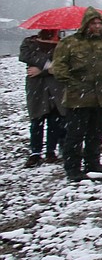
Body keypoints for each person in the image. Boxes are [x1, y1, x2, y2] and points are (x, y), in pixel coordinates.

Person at [53, 7, 102, 182]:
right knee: (75, 134)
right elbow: (59, 67)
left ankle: (93, 163)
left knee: (96, 133)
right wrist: (73, 83)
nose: (97, 26)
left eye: (99, 23)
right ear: (86, 25)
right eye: (93, 23)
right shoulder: (69, 43)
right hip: (78, 97)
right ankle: (73, 168)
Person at [19, 29, 67, 167]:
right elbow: (26, 56)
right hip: (37, 88)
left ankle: (51, 151)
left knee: (55, 119)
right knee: (37, 119)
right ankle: (35, 153)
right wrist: (48, 65)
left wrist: (43, 70)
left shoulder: (62, 45)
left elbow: (62, 65)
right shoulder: (29, 43)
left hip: (56, 87)